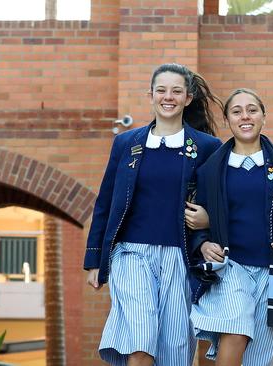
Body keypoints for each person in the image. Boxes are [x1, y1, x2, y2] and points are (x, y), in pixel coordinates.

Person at [83, 63, 223, 366]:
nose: (168, 97)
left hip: (180, 257)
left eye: (176, 91)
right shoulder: (126, 143)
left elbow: (220, 201)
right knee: (140, 343)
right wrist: (95, 259)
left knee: (174, 351)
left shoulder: (207, 147)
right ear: (151, 95)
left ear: (188, 98)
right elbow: (106, 201)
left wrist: (210, 221)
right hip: (131, 254)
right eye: (161, 90)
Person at [188, 88, 273, 366]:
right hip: (231, 267)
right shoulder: (211, 169)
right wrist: (204, 243)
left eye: (252, 110)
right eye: (237, 111)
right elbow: (198, 223)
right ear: (228, 120)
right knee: (234, 335)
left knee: (259, 359)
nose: (245, 116)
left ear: (264, 117)